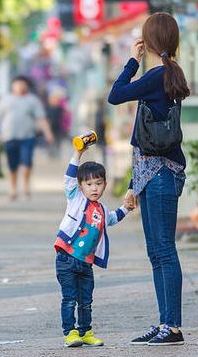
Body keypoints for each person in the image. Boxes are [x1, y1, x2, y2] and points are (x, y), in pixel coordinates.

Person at [107, 12, 190, 346]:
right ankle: (164, 323)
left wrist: (131, 60)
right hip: (156, 177)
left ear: (150, 42)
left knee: (163, 251)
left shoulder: (158, 76)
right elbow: (145, 138)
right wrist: (131, 186)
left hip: (159, 177)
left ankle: (172, 326)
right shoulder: (168, 75)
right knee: (157, 252)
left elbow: (115, 95)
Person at [53, 146, 133, 348]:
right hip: (67, 259)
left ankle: (86, 331)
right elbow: (69, 177)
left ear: (105, 185)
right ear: (80, 186)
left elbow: (113, 219)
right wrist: (77, 153)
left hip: (86, 264)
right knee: (70, 298)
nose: (94, 188)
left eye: (98, 183)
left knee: (86, 301)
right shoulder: (75, 199)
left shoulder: (103, 209)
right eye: (89, 184)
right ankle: (70, 333)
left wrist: (126, 208)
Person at [0, 75, 54, 200]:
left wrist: (48, 132)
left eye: (22, 84)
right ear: (13, 85)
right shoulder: (5, 100)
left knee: (26, 163)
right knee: (12, 165)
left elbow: (41, 118)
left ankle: (26, 184)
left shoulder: (32, 100)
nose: (20, 86)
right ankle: (13, 187)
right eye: (17, 83)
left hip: (27, 137)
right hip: (9, 137)